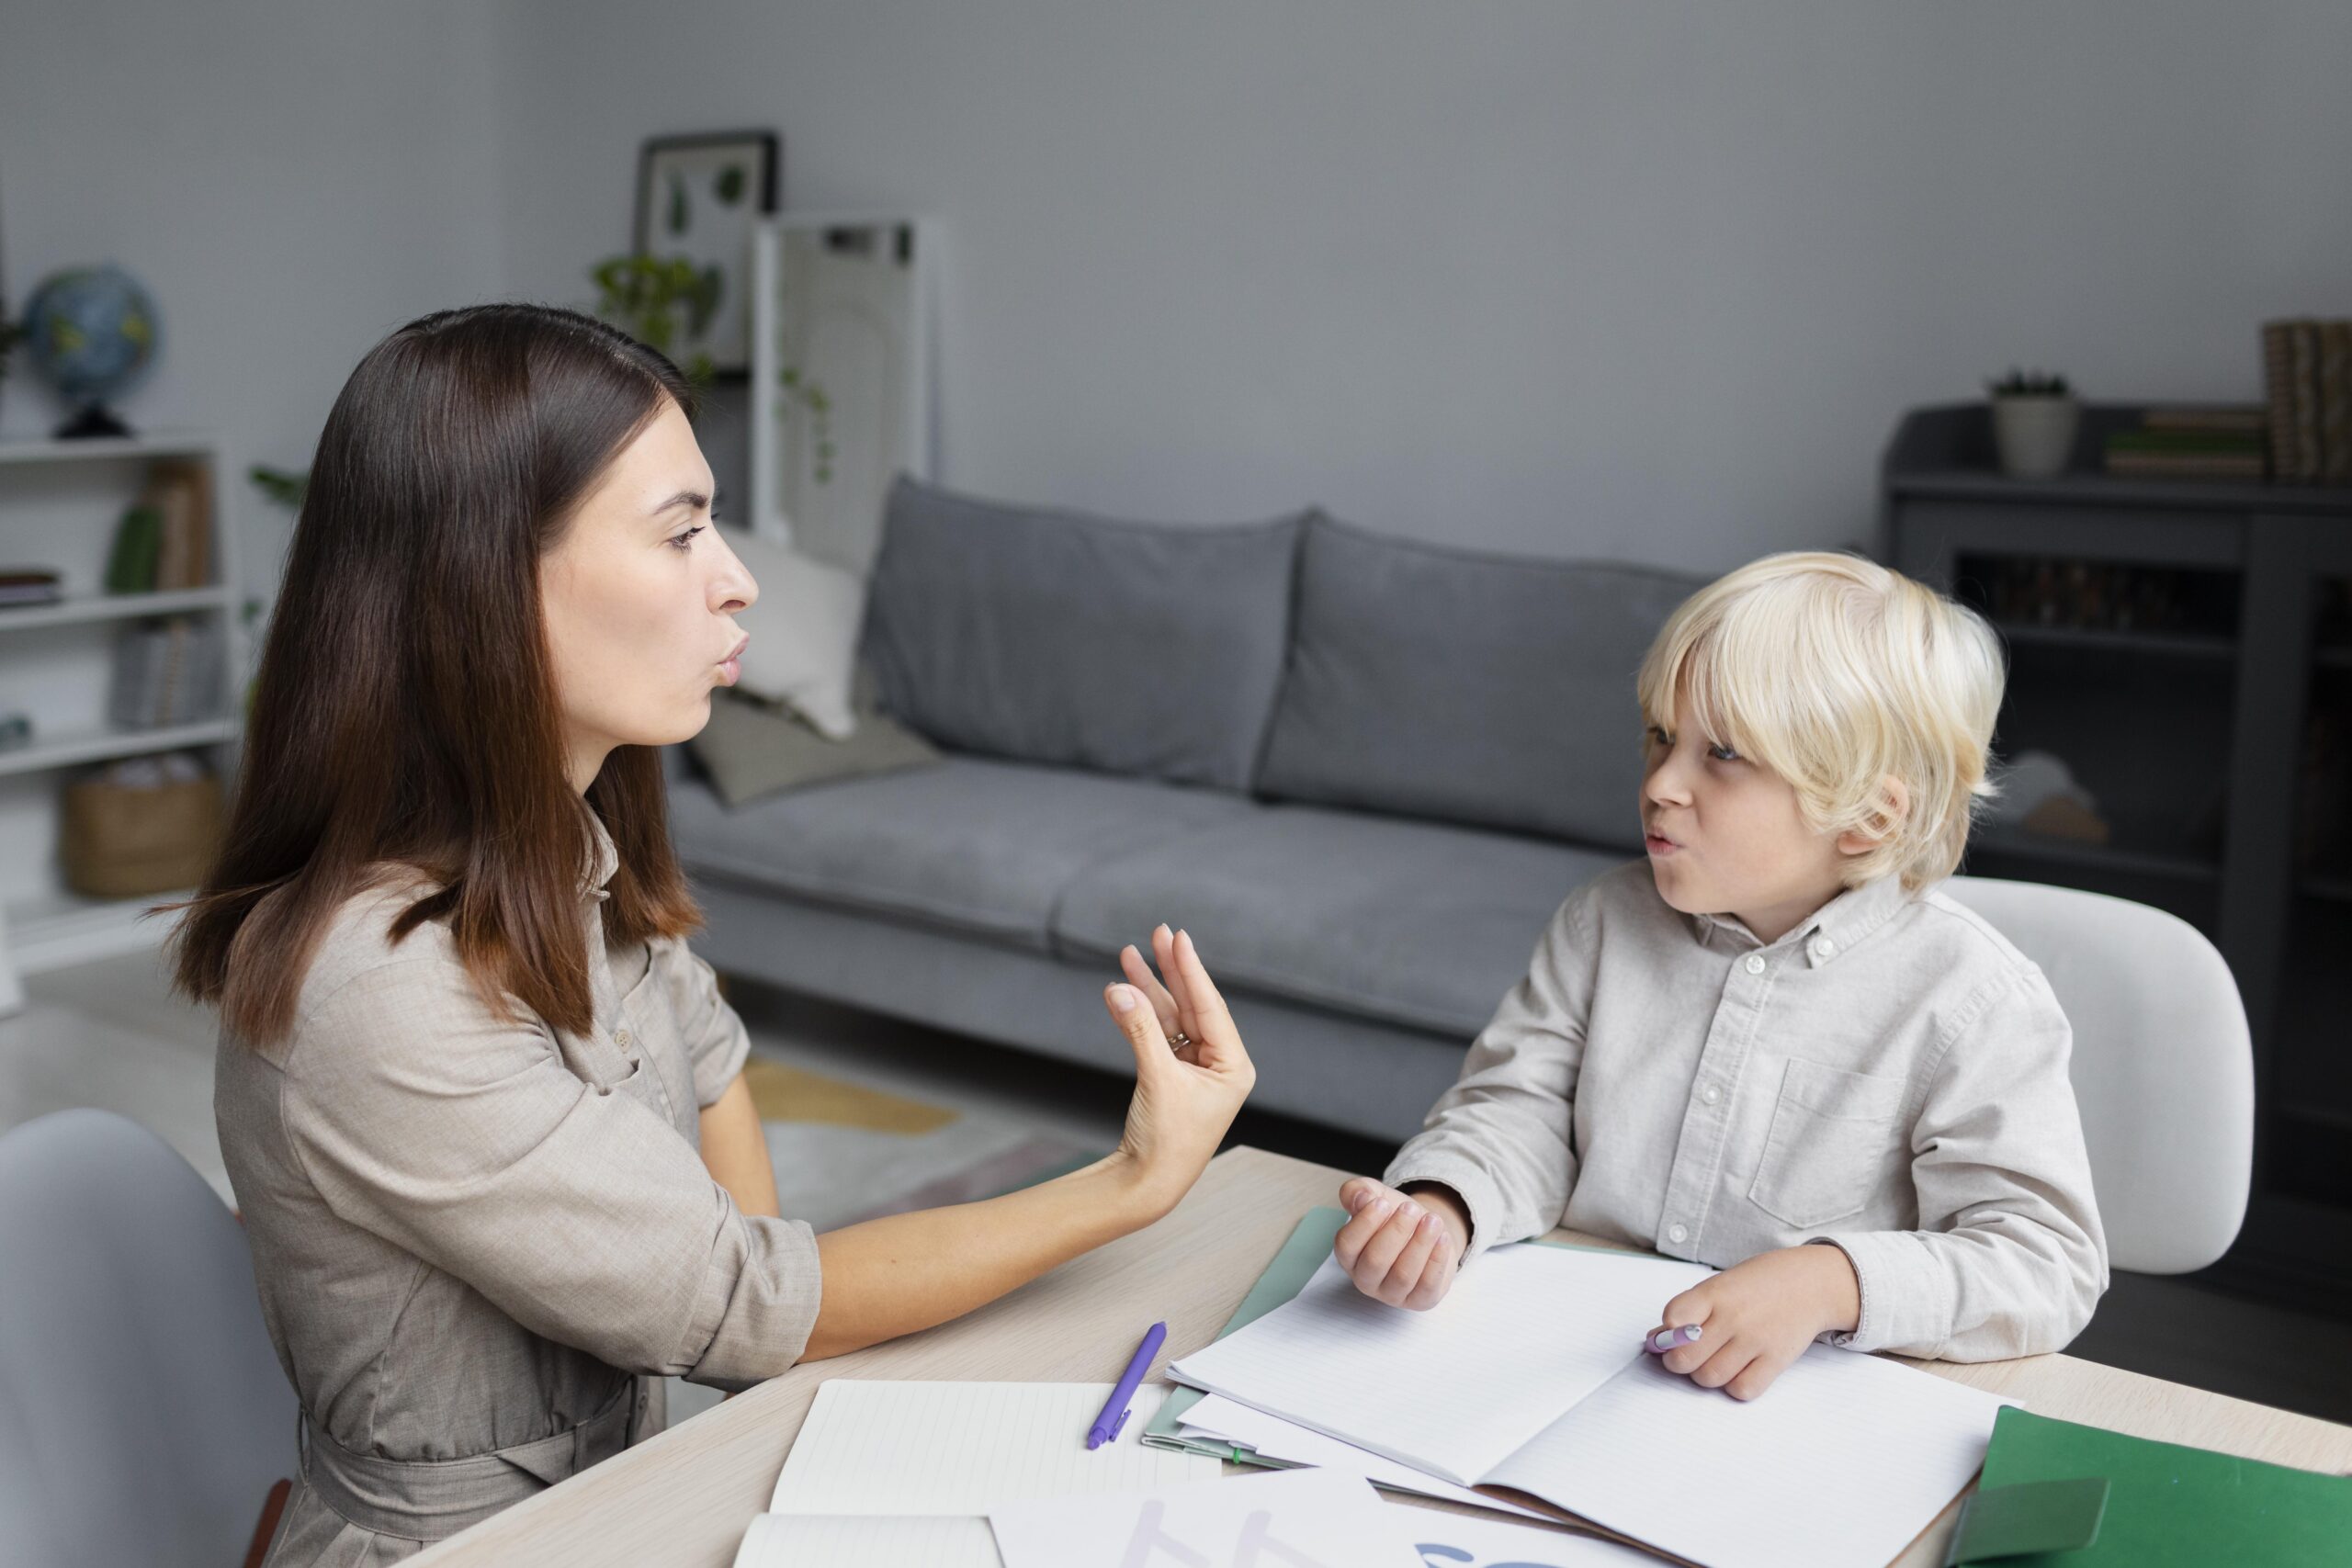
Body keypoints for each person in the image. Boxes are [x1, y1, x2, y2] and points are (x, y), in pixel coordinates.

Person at [173, 303, 1255, 1564]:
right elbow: (754, 1298)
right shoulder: (376, 988)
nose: (736, 577)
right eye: (683, 530)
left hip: (633, 1488)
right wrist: (1131, 1183)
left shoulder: (570, 849)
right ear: (485, 576)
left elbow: (719, 1085)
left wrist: (774, 1356)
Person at [1326, 551, 2108, 1399]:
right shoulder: (1601, 924)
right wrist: (1443, 1206)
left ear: (1868, 814)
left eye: (1724, 754)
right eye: (1662, 736)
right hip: (1561, 1364)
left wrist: (1829, 1282)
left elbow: (2044, 1262)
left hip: (1798, 1411)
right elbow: (1519, 1111)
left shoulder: (1973, 999)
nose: (1661, 783)